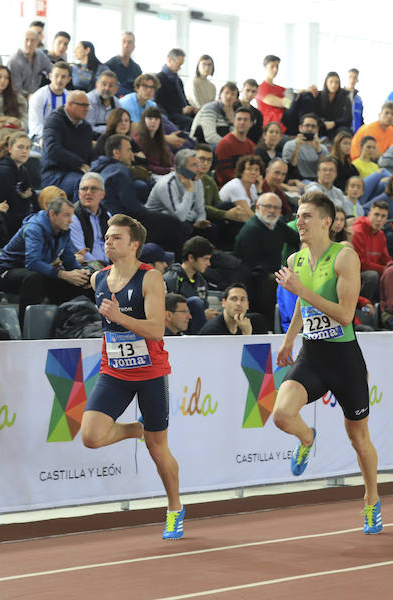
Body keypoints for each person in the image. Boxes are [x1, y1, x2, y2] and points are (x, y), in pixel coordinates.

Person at [273, 190, 381, 533]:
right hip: (312, 355)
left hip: (344, 359)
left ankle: (371, 500)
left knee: (358, 438)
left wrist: (302, 291)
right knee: (281, 414)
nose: (299, 222)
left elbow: (346, 314)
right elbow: (304, 311)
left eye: (306, 216)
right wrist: (289, 339)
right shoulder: (295, 261)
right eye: (298, 216)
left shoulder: (344, 257)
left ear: (327, 222)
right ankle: (307, 438)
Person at [80, 213, 183, 539]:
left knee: (157, 449)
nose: (108, 241)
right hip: (114, 372)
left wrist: (121, 318)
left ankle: (174, 508)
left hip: (150, 372)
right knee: (91, 436)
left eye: (116, 238)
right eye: (107, 237)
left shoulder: (150, 278)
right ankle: (134, 429)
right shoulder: (98, 279)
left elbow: (156, 329)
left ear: (134, 244)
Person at [0, 197, 91, 323]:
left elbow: (69, 261)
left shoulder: (64, 231)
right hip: (5, 272)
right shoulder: (34, 228)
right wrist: (63, 274)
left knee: (81, 281)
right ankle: (26, 330)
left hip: (37, 272)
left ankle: (69, 325)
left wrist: (82, 274)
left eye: (71, 216)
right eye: (66, 215)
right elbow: (32, 263)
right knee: (35, 278)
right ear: (52, 214)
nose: (70, 220)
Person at [233, 192, 299, 328]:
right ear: (257, 207)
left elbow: (297, 240)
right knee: (280, 282)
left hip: (272, 274)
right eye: (268, 207)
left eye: (276, 208)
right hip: (253, 279)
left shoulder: (277, 225)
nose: (272, 211)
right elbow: (249, 266)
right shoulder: (251, 230)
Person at [40, 89, 93, 198]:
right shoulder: (54, 121)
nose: (86, 109)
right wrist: (80, 164)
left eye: (87, 105)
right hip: (54, 174)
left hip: (77, 172)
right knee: (83, 184)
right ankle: (78, 215)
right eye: (82, 105)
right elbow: (52, 150)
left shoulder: (86, 127)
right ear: (69, 104)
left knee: (100, 180)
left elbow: (89, 153)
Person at [163, 235, 216, 334]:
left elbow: (204, 306)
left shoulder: (202, 281)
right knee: (195, 302)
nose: (208, 263)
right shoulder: (171, 279)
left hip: (194, 327)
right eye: (205, 259)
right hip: (174, 330)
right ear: (191, 258)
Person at [257, 54, 317, 133]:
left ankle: (309, 123)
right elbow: (284, 103)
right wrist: (295, 96)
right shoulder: (261, 88)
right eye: (272, 66)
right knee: (302, 97)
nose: (275, 70)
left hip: (286, 118)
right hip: (276, 122)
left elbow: (295, 94)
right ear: (265, 68)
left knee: (306, 96)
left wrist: (308, 89)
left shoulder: (278, 88)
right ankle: (308, 124)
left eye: (277, 66)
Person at [0, 131, 35, 233]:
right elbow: (9, 203)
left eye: (27, 148)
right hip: (5, 217)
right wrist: (24, 196)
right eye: (20, 147)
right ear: (10, 149)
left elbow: (30, 194)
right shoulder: (3, 171)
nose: (24, 151)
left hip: (19, 215)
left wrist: (28, 196)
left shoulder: (24, 170)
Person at [350, 199, 390, 301]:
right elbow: (361, 264)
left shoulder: (380, 234)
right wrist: (384, 269)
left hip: (373, 271)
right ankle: (360, 307)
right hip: (354, 273)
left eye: (383, 216)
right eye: (376, 215)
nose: (379, 219)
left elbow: (386, 259)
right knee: (372, 276)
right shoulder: (357, 231)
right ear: (369, 214)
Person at [69, 172, 110, 267]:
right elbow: (82, 253)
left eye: (94, 189)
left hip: (110, 266)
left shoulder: (107, 215)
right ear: (79, 193)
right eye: (84, 189)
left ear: (102, 194)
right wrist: (103, 271)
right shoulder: (72, 217)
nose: (88, 192)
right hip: (89, 267)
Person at [27, 61, 71, 142]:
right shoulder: (38, 96)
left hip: (63, 136)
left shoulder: (70, 98)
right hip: (40, 136)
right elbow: (35, 126)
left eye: (63, 77)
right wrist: (54, 134)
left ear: (68, 79)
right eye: (56, 76)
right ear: (50, 76)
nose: (59, 80)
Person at [213, 106, 256, 185]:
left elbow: (254, 170)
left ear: (251, 124)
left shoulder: (251, 146)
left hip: (247, 186)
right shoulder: (224, 144)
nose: (242, 122)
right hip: (228, 188)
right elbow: (224, 175)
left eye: (245, 120)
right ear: (234, 121)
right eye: (239, 119)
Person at [198, 282, 262, 335]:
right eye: (234, 299)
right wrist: (246, 334)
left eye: (243, 299)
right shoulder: (212, 330)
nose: (239, 303)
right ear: (223, 303)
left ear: (247, 305)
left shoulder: (256, 322)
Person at [155, 48, 196, 131]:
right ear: (169, 60)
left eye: (181, 65)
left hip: (182, 112)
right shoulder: (159, 79)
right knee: (191, 123)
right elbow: (160, 103)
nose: (180, 68)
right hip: (170, 114)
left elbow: (183, 99)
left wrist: (191, 108)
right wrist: (181, 110)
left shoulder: (178, 80)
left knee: (202, 120)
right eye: (178, 64)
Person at [189, 81, 238, 148]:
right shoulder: (210, 108)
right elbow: (210, 137)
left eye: (233, 94)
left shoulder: (234, 112)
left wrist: (232, 120)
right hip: (201, 143)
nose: (229, 96)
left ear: (236, 99)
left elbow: (233, 135)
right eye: (226, 93)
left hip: (221, 143)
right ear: (220, 94)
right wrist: (230, 145)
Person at [282, 113, 328, 181]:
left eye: (313, 126)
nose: (310, 129)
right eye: (307, 125)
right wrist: (297, 148)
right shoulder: (290, 145)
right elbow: (289, 168)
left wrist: (318, 150)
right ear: (300, 128)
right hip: (297, 180)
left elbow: (326, 169)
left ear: (317, 129)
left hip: (318, 180)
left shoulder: (322, 148)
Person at [7, 28, 52, 97]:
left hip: (35, 96)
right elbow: (15, 88)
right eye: (26, 40)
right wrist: (29, 97)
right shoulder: (14, 61)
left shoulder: (40, 55)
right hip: (18, 99)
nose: (29, 44)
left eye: (33, 40)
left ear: (37, 43)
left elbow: (51, 69)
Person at [132, 106, 174, 176]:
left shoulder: (159, 138)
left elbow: (170, 157)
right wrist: (168, 170)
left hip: (165, 172)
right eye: (150, 118)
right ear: (143, 120)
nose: (153, 121)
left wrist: (174, 167)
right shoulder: (137, 139)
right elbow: (147, 165)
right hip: (151, 174)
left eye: (156, 119)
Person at [316, 71, 351, 140]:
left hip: (338, 126)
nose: (334, 85)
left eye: (336, 82)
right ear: (326, 82)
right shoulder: (318, 96)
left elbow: (347, 118)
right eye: (331, 82)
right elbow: (314, 114)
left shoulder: (345, 99)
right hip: (321, 125)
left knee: (344, 131)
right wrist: (323, 123)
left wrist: (334, 123)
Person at [104, 32, 140, 97]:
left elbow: (139, 90)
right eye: (123, 42)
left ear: (133, 46)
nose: (126, 45)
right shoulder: (108, 66)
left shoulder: (137, 69)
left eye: (129, 42)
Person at [85, 70, 120, 136]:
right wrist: (110, 129)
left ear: (116, 89)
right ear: (96, 85)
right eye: (104, 84)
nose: (107, 88)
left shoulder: (117, 103)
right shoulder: (88, 100)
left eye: (111, 85)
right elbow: (88, 128)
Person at [238, 78, 263, 143]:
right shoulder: (232, 107)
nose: (250, 94)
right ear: (242, 90)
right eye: (247, 90)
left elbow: (258, 136)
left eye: (253, 91)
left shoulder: (258, 114)